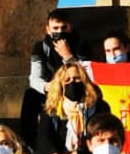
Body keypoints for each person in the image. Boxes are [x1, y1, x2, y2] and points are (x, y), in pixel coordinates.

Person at [34, 60, 111, 154]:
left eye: (76, 79)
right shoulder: (52, 109)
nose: (72, 83)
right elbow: (44, 137)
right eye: (67, 80)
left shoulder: (99, 107)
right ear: (60, 85)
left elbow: (99, 136)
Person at [22, 10, 89, 142]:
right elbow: (34, 78)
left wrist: (68, 57)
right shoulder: (41, 47)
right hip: (50, 89)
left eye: (64, 28)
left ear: (70, 27)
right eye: (55, 28)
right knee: (30, 95)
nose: (60, 31)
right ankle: (28, 141)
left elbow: (85, 73)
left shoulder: (81, 45)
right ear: (48, 29)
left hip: (74, 87)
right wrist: (47, 86)